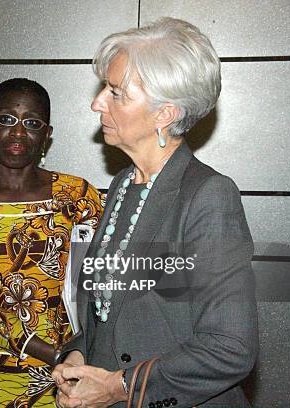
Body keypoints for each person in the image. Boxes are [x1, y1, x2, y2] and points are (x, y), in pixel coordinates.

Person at [52, 18, 258, 408]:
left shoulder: (209, 196)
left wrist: (119, 386)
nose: (98, 103)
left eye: (116, 93)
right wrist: (80, 355)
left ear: (165, 114)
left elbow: (230, 348)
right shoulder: (122, 185)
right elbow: (112, 310)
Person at [0, 78, 105, 407]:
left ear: (47, 134)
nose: (18, 133)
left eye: (32, 123)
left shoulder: (77, 196)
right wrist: (56, 355)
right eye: (6, 120)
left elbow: (104, 281)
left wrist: (79, 357)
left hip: (75, 381)